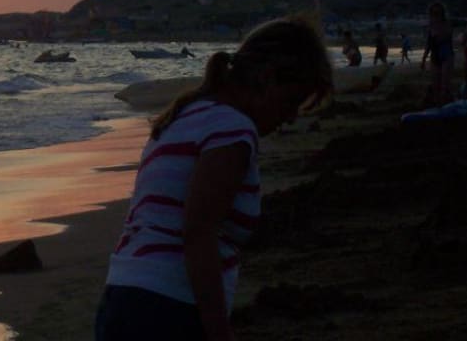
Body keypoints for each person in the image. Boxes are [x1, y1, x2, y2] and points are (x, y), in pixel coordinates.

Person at [95, 17, 333, 341]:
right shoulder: (232, 130)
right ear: (267, 78)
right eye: (291, 101)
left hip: (121, 296)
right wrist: (219, 332)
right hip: (168, 307)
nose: (290, 117)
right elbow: (198, 231)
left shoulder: (184, 116)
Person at [421, 2, 455, 107]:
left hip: (446, 54)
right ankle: (438, 106)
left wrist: (438, 32)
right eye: (434, 13)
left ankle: (447, 103)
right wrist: (423, 58)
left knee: (445, 85)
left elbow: (446, 37)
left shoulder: (447, 23)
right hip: (435, 55)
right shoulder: (431, 25)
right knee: (435, 85)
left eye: (438, 13)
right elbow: (428, 43)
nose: (436, 15)